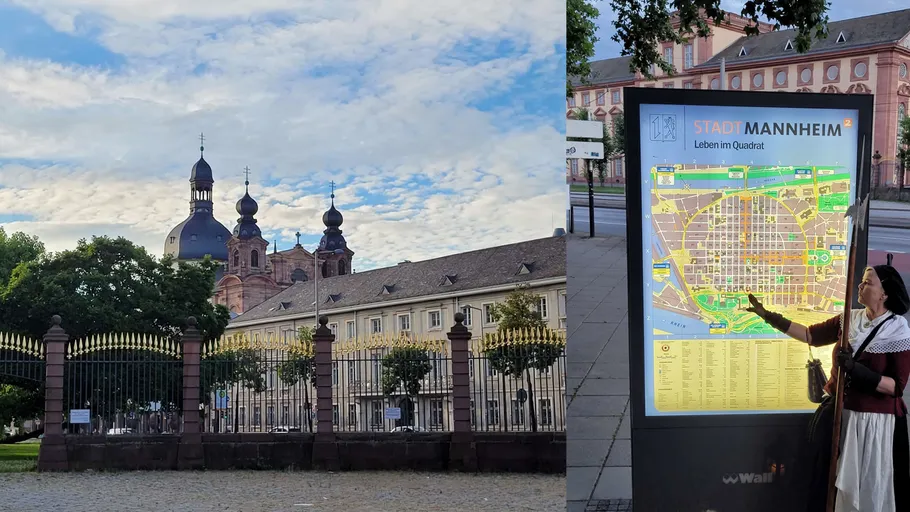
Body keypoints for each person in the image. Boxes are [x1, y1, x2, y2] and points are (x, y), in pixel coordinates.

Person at [745, 261, 910, 512]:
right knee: (830, 487)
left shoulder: (897, 330)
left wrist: (856, 370)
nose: (860, 285)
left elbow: (896, 387)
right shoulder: (850, 319)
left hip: (874, 427)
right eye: (862, 280)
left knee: (868, 488)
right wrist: (770, 317)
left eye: (868, 282)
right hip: (841, 418)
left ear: (884, 293)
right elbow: (811, 335)